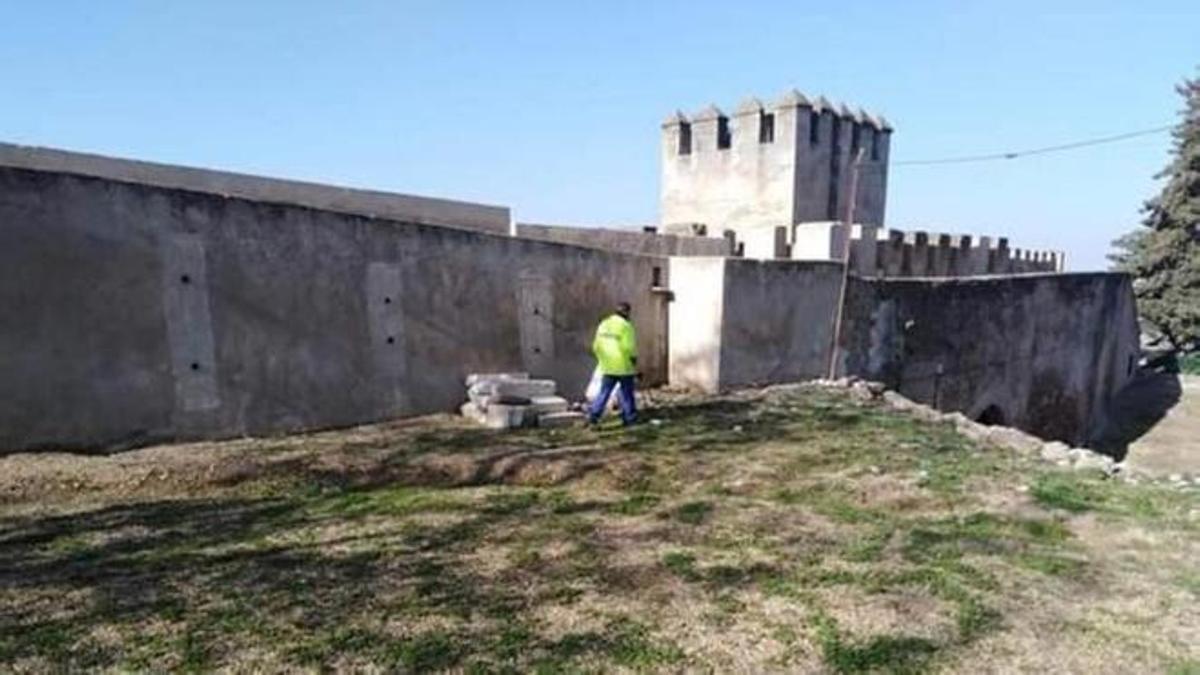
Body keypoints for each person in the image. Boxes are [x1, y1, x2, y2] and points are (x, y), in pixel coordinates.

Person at [588, 302, 638, 426]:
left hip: (607, 366)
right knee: (626, 394)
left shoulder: (604, 324)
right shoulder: (626, 326)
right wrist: (634, 359)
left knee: (604, 392)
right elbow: (629, 347)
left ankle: (594, 415)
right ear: (626, 312)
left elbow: (596, 346)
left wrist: (602, 359)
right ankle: (629, 418)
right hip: (624, 366)